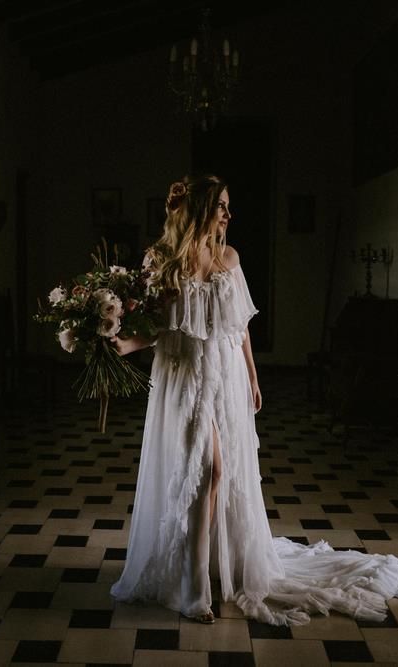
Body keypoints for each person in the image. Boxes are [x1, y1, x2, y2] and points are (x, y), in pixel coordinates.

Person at [109, 173, 398, 625]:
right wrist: (115, 342)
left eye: (228, 205)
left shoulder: (229, 258)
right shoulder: (163, 259)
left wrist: (253, 374)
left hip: (225, 377)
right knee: (206, 470)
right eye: (221, 205)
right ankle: (193, 587)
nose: (228, 214)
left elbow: (240, 325)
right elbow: (153, 329)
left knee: (216, 473)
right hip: (184, 377)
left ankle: (206, 568)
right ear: (203, 208)